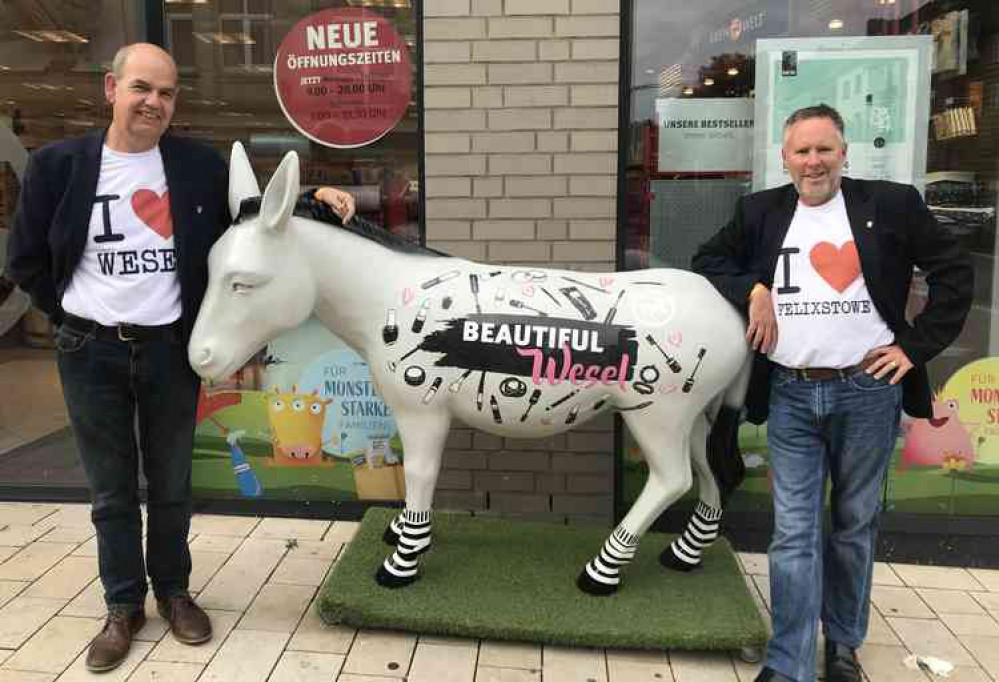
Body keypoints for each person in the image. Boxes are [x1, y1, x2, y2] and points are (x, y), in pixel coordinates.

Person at [6, 43, 356, 673]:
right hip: (90, 351)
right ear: (111, 88)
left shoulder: (195, 164)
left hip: (169, 350)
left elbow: (255, 217)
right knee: (111, 491)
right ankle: (122, 607)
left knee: (171, 485)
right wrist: (71, 319)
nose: (154, 103)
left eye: (167, 93)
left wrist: (318, 197)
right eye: (142, 88)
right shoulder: (57, 165)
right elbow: (25, 260)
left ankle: (173, 592)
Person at [692, 104, 972, 682]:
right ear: (785, 157)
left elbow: (954, 272)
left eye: (825, 149)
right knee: (794, 531)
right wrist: (754, 290)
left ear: (844, 152)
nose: (813, 161)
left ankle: (842, 645)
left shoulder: (889, 204)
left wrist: (914, 348)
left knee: (852, 523)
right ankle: (789, 661)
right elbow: (708, 259)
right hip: (793, 392)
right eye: (802, 151)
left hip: (868, 392)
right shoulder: (761, 210)